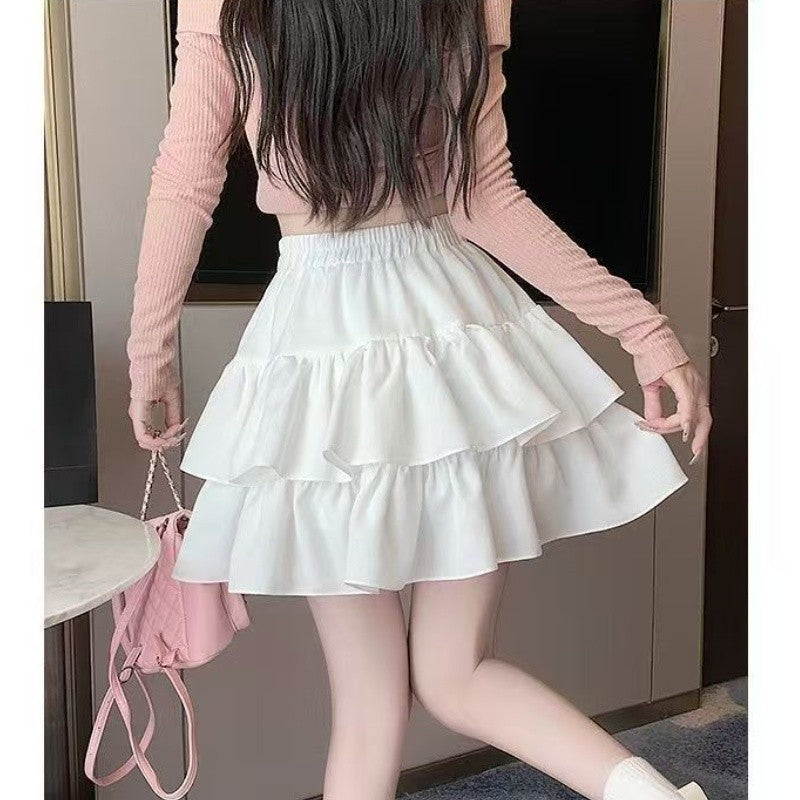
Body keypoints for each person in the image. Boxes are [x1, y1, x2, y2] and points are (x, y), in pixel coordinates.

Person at [126, 2, 712, 799]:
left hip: (321, 346)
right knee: (456, 673)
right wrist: (645, 329)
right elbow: (486, 196)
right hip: (452, 331)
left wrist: (151, 356)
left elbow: (186, 180)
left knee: (368, 704)